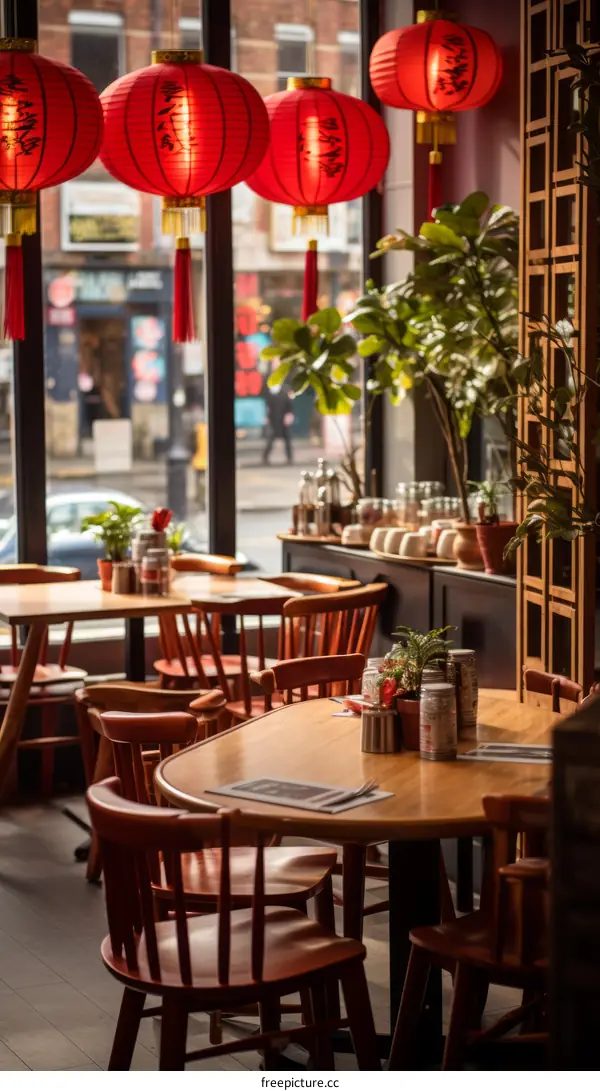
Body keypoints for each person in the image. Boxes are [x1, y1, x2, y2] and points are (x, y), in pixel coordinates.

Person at [263, 383, 294, 465]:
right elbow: (268, 406)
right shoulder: (270, 392)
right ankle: (265, 458)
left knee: (287, 439)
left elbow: (289, 406)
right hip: (274, 419)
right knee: (271, 439)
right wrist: (267, 417)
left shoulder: (285, 391)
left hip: (283, 419)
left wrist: (289, 415)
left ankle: (290, 458)